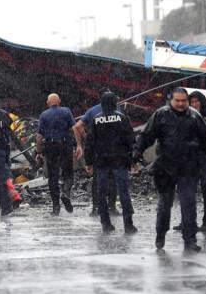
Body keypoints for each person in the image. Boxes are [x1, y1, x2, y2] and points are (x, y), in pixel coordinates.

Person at [133, 87, 206, 252]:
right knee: (165, 205)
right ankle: (161, 235)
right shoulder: (161, 115)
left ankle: (190, 240)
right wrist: (137, 153)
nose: (180, 104)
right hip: (165, 167)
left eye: (184, 101)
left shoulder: (195, 117)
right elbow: (146, 136)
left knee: (189, 204)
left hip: (188, 168)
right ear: (171, 100)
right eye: (177, 101)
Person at [84, 92, 138, 234]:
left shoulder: (96, 120)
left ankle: (105, 223)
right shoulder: (122, 118)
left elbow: (89, 143)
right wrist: (134, 160)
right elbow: (130, 141)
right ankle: (128, 224)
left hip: (101, 161)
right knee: (123, 192)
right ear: (115, 103)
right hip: (120, 160)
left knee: (101, 193)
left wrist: (88, 162)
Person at [172, 90, 206, 232]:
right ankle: (186, 222)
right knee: (186, 191)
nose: (194, 104)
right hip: (189, 158)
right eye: (191, 102)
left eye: (196, 102)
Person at [73, 88, 119, 216]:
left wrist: (84, 140)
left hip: (98, 151)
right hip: (114, 150)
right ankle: (112, 207)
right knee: (113, 179)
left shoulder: (93, 112)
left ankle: (96, 208)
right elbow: (126, 133)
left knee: (97, 180)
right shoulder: (118, 111)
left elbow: (77, 126)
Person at [35, 93, 76, 216]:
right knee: (68, 173)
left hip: (50, 146)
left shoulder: (43, 115)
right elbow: (74, 128)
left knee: (53, 177)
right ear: (59, 101)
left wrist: (39, 152)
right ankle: (66, 193)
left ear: (48, 103)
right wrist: (78, 145)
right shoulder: (66, 111)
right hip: (65, 145)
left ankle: (56, 207)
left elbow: (38, 136)